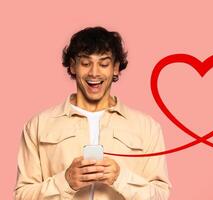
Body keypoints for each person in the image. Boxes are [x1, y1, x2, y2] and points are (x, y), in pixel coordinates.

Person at [15, 26, 171, 199]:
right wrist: (65, 182)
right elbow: (22, 195)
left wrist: (121, 178)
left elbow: (160, 195)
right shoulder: (38, 125)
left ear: (116, 68)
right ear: (73, 66)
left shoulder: (147, 127)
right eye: (86, 63)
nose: (94, 73)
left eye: (103, 64)